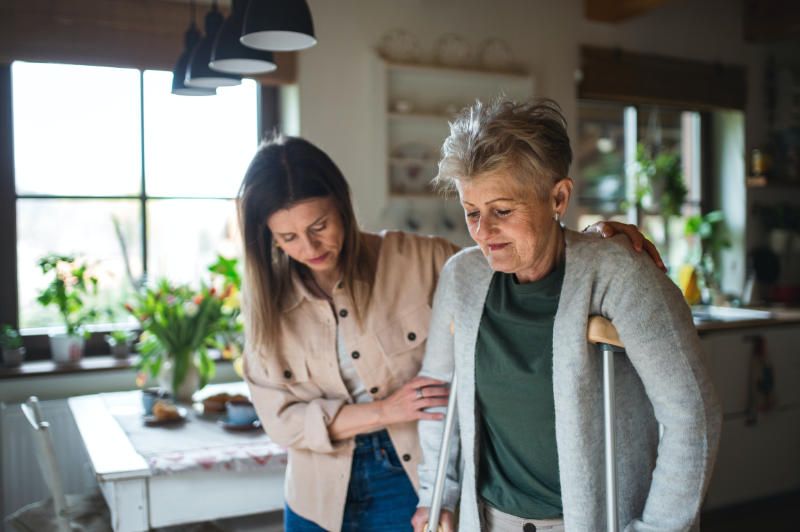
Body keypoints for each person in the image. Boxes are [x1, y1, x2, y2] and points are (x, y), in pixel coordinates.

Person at [237, 134, 664, 531]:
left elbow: (513, 255)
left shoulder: (424, 260)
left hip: (410, 479)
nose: (309, 248)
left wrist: (585, 242)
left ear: (342, 206)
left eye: (319, 226)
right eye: (287, 237)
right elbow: (280, 421)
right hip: (316, 494)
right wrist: (387, 410)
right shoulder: (264, 307)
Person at [413, 98, 721, 532]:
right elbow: (437, 401)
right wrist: (437, 497)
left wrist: (659, 529)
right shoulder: (461, 277)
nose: (483, 232)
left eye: (502, 211)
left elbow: (692, 413)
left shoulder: (621, 274)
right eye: (471, 213)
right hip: (483, 520)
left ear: (558, 197)